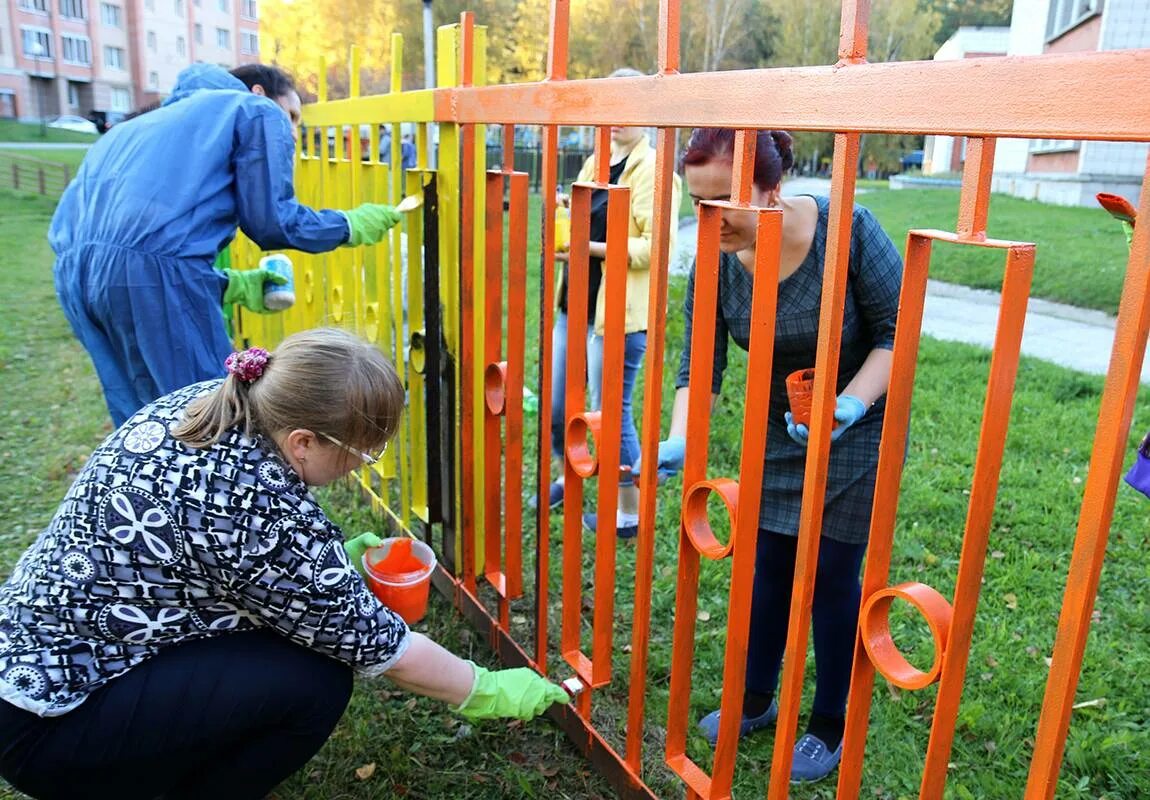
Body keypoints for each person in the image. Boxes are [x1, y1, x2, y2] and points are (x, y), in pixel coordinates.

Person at [0, 328, 569, 799]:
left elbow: (221, 560)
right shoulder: (263, 520)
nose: (362, 465)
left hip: (33, 658)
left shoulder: (208, 403)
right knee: (315, 682)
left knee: (294, 639)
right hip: (51, 723)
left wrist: (321, 572)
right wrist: (484, 687)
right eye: (360, 452)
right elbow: (383, 650)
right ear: (302, 441)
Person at [637, 128, 902, 782]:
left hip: (857, 415)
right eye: (697, 203)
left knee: (833, 574)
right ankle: (756, 697)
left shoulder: (849, 231)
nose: (711, 220)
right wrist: (683, 435)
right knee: (768, 564)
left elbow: (900, 329)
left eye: (723, 201)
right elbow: (700, 364)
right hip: (777, 424)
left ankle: (829, 720)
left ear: (772, 190)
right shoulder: (716, 259)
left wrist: (854, 405)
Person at [50, 63, 402, 428]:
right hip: (149, 276)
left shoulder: (130, 129)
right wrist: (348, 225)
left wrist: (232, 284)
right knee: (212, 413)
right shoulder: (253, 110)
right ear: (260, 93)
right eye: (293, 115)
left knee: (143, 419)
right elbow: (273, 223)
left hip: (73, 276)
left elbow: (127, 244)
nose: (294, 132)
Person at [549, 67, 682, 538]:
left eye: (630, 108)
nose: (618, 119)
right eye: (611, 107)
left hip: (619, 313)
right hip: (576, 303)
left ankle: (629, 511)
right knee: (560, 403)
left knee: (612, 411)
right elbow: (580, 217)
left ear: (646, 114)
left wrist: (592, 249)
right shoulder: (595, 162)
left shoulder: (655, 170)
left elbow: (653, 249)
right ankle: (568, 476)